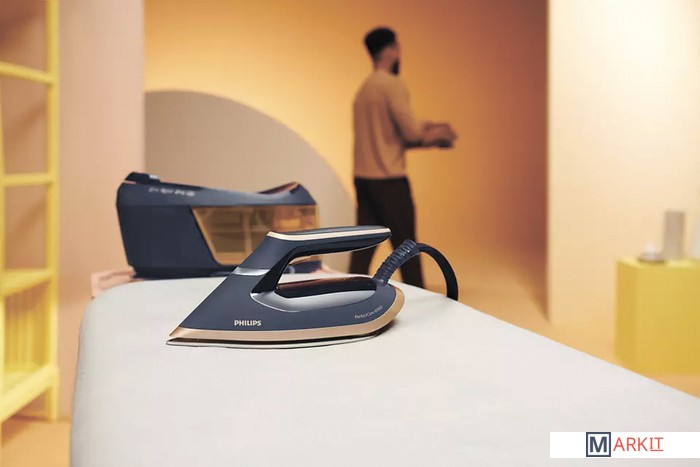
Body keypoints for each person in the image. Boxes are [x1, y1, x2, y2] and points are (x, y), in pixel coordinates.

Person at [349, 26, 457, 288]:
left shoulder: (364, 90)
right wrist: (439, 134)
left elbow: (388, 136)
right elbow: (410, 133)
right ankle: (419, 296)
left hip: (365, 178)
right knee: (407, 246)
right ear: (390, 51)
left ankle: (348, 293)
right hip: (390, 180)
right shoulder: (391, 85)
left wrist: (426, 129)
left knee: (363, 247)